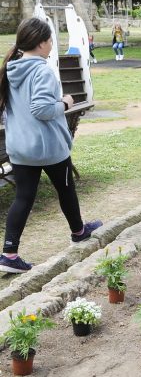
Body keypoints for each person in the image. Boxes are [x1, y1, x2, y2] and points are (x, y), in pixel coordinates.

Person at [0, 18, 102, 273]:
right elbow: (42, 109)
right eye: (51, 40)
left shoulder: (11, 68)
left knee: (23, 198)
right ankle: (78, 232)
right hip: (48, 148)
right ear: (42, 42)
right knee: (66, 190)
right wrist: (65, 102)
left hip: (20, 147)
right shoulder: (42, 70)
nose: (51, 45)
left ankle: (9, 254)